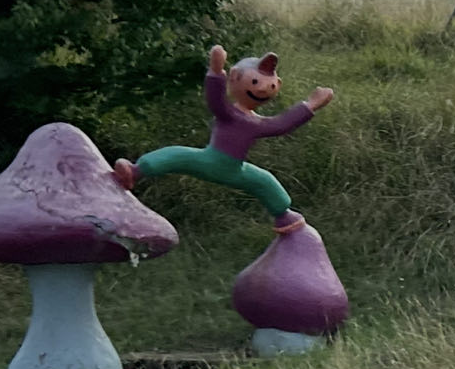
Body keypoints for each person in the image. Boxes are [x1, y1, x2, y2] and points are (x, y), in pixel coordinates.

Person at [112, 44, 334, 232]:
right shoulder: (228, 113)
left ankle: (283, 215)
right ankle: (134, 172)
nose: (263, 90)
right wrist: (216, 71)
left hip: (234, 169)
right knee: (176, 155)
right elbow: (215, 100)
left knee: (264, 180)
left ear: (278, 86)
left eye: (272, 85)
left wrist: (310, 105)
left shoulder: (258, 123)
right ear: (234, 78)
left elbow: (281, 124)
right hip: (209, 160)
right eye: (255, 82)